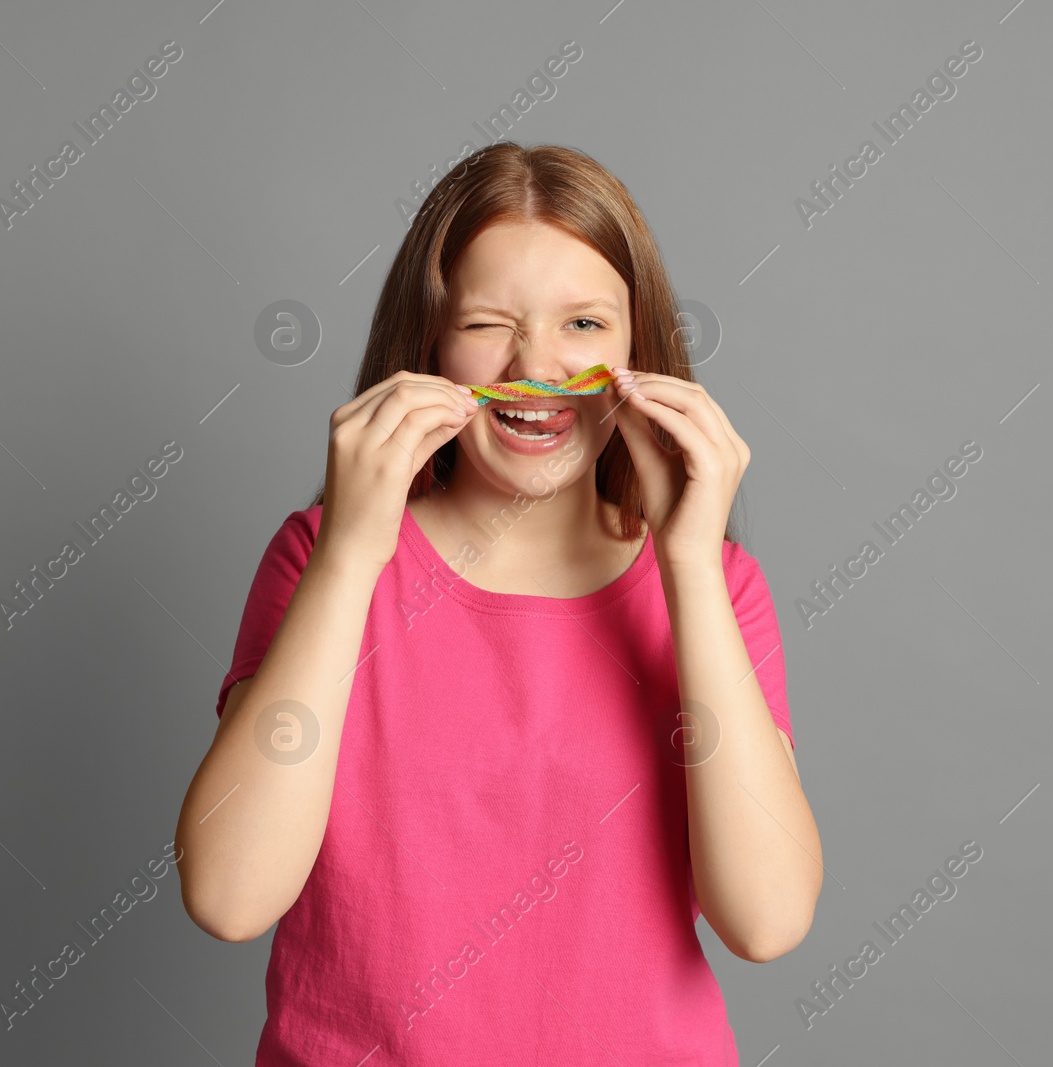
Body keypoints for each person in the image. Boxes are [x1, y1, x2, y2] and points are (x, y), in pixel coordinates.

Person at [174, 141, 822, 1065]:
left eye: (584, 324)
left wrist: (688, 568)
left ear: (637, 350)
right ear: (431, 344)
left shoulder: (716, 589)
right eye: (489, 324)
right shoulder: (319, 560)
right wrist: (355, 549)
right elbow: (228, 897)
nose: (538, 365)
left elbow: (767, 919)